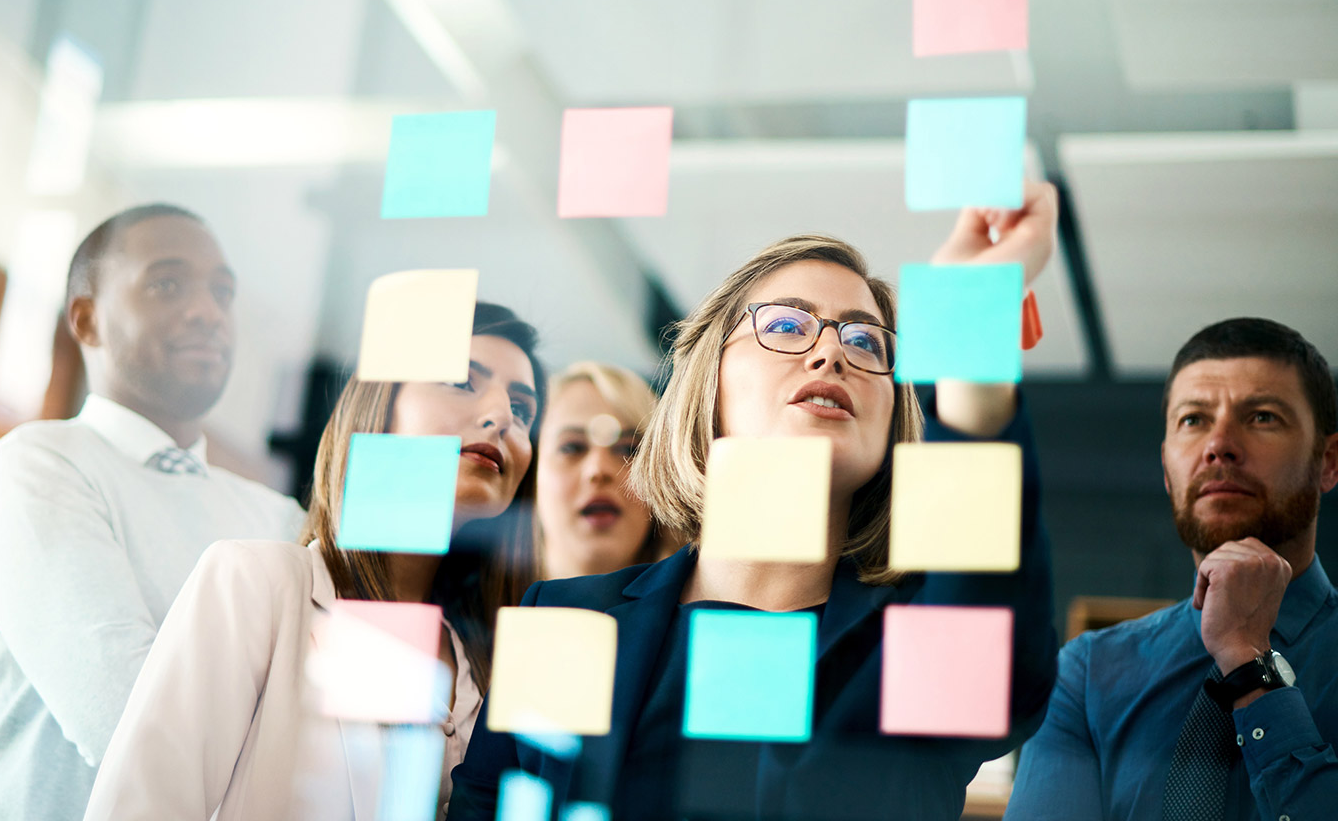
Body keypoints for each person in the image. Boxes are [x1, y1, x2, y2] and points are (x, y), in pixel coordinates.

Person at [449, 184, 1062, 821]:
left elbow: (1000, 658)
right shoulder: (566, 620)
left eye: (866, 343)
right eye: (787, 326)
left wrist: (970, 327)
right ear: (707, 382)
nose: (830, 352)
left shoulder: (907, 639)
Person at [82, 303, 545, 821]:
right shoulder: (257, 585)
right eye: (462, 381)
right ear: (380, 405)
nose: (503, 416)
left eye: (523, 410)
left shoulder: (495, 660)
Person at [0, 205, 304, 821]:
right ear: (86, 320)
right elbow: (132, 725)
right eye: (167, 284)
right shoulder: (39, 468)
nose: (207, 311)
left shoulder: (277, 519)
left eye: (222, 292)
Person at [1007, 318, 1338, 820]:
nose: (1219, 444)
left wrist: (1250, 669)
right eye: (1193, 420)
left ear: (1328, 462)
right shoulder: (1089, 674)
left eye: (1263, 417)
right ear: (1167, 469)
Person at [536, 361, 673, 580]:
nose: (598, 470)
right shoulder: (469, 608)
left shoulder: (703, 611)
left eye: (628, 449)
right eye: (572, 447)